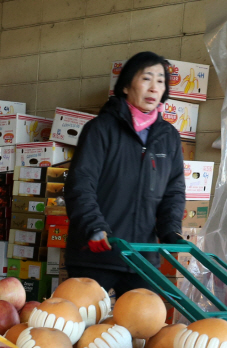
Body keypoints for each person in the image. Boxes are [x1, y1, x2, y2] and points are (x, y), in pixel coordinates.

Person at [65, 52, 186, 297]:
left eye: (161, 81)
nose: (154, 87)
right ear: (126, 86)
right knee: (82, 326)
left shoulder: (168, 137)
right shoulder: (100, 129)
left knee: (143, 329)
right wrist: (94, 228)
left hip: (141, 258)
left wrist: (170, 231)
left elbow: (174, 191)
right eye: (146, 78)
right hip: (96, 254)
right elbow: (81, 183)